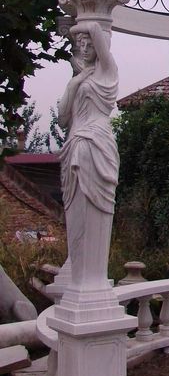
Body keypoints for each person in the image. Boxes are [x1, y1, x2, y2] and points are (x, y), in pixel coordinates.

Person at [58, 21, 119, 293]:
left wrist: (82, 19)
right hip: (75, 143)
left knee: (98, 209)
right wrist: (75, 82)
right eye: (80, 44)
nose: (84, 48)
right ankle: (81, 280)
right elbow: (61, 117)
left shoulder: (108, 71)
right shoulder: (79, 78)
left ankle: (93, 281)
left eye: (89, 44)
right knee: (76, 211)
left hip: (98, 142)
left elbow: (96, 28)